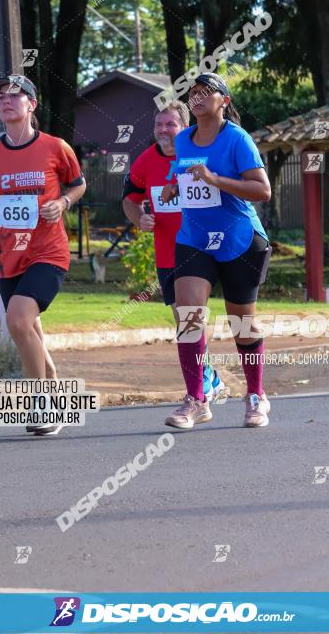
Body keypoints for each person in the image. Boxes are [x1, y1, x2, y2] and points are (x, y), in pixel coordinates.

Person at [0, 74, 86, 435]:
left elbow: (78, 185)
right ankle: (54, 380)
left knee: (16, 320)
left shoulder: (56, 147)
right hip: (7, 258)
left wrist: (62, 202)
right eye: (1, 97)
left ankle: (43, 403)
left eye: (16, 95)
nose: (6, 101)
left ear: (31, 104)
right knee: (28, 327)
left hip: (48, 252)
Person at [160, 72, 272, 429]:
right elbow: (186, 176)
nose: (197, 97)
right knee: (189, 315)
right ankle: (196, 398)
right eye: (192, 92)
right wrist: (171, 189)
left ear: (224, 100)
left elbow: (262, 190)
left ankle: (255, 395)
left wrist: (216, 180)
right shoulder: (183, 140)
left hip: (239, 239)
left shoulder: (237, 139)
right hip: (195, 238)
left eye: (206, 91)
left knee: (242, 322)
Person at [122, 101, 226, 403]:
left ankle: (201, 386)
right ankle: (209, 377)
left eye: (170, 125)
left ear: (184, 128)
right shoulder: (144, 161)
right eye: (159, 125)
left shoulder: (197, 153)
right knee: (184, 318)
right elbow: (129, 198)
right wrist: (138, 217)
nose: (163, 130)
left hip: (204, 248)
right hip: (168, 252)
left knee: (190, 316)